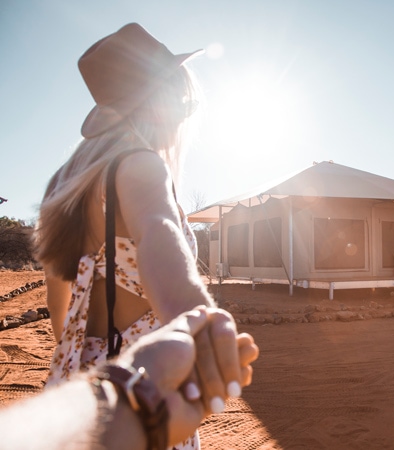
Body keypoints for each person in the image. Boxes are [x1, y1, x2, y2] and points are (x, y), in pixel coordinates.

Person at [32, 23, 258, 449]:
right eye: (184, 100)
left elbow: (58, 302)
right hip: (143, 385)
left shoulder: (66, 186)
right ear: (161, 101)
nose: (184, 114)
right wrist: (195, 319)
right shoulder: (140, 165)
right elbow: (160, 233)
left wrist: (81, 353)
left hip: (76, 386)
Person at [0, 306, 258, 450]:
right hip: (158, 376)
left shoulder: (61, 215)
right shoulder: (152, 212)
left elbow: (63, 322)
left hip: (92, 370)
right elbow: (185, 301)